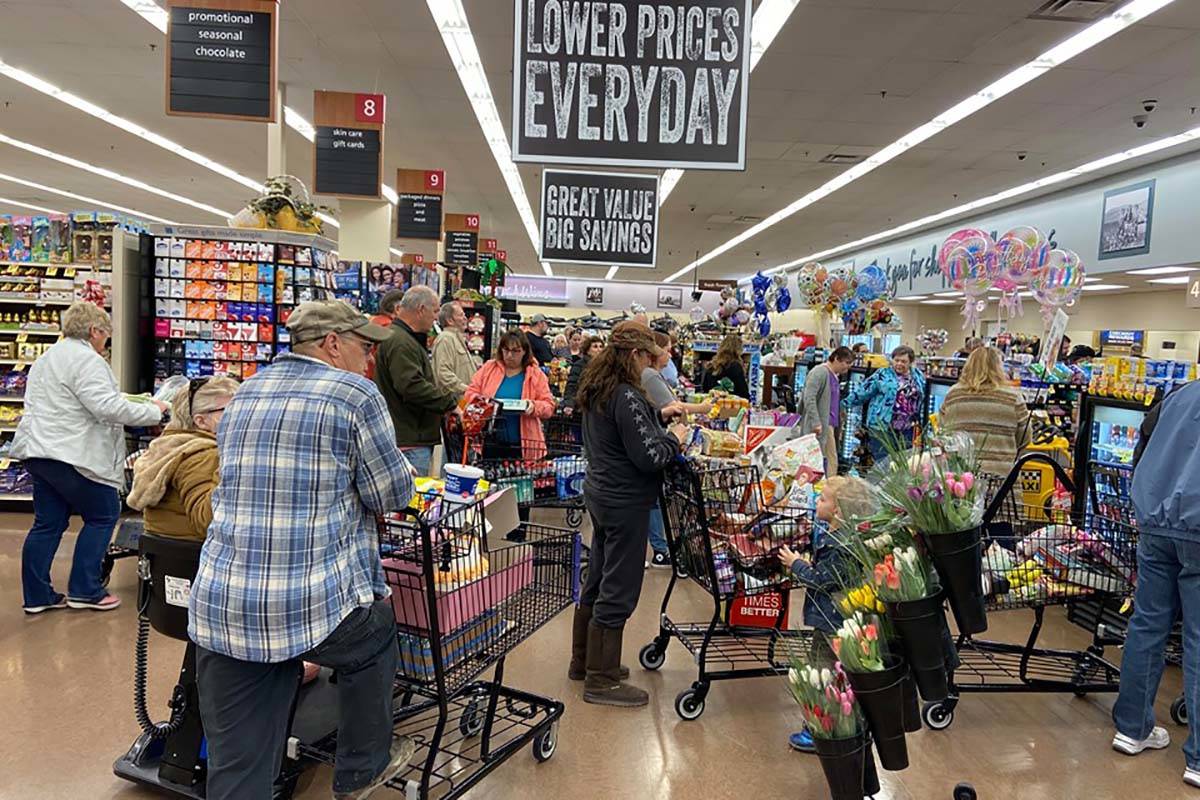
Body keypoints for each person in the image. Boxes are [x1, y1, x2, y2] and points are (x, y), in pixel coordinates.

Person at [189, 300, 416, 800]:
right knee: (376, 631)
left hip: (221, 604)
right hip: (305, 606)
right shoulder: (355, 395)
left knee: (240, 770)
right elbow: (391, 494)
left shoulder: (245, 393)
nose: (369, 359)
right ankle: (361, 769)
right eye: (363, 346)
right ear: (332, 344)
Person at [15, 301, 168, 614]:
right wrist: (155, 410)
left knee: (47, 524)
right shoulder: (88, 360)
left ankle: (37, 596)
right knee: (102, 515)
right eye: (105, 335)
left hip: (39, 451)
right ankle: (86, 591)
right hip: (73, 453)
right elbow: (106, 408)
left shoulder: (49, 357)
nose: (105, 342)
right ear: (95, 330)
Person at [570, 322, 687, 706]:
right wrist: (674, 440)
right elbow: (649, 457)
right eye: (648, 357)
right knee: (619, 587)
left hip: (601, 494)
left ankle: (584, 662)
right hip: (626, 501)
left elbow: (624, 438)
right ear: (634, 355)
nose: (650, 365)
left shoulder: (597, 388)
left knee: (599, 578)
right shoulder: (626, 394)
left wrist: (659, 421)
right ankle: (602, 680)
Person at [1111, 379, 1200, 789]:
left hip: (1156, 523)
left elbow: (1141, 451)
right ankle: (1197, 758)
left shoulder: (1178, 394)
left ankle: (1132, 729)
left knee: (1146, 625)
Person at [778, 476, 876, 752]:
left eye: (822, 499)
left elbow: (821, 581)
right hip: (838, 619)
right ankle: (836, 724)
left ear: (838, 510)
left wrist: (796, 564)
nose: (816, 502)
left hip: (831, 620)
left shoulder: (838, 546)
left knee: (822, 674)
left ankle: (819, 730)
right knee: (832, 672)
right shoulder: (842, 539)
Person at [127, 377, 239, 541]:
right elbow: (206, 523)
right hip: (195, 557)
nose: (242, 416)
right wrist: (230, 463)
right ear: (201, 421)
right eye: (231, 410)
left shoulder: (168, 446)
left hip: (166, 556)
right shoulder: (203, 455)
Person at [464, 330, 557, 529]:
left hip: (523, 444)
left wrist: (533, 406)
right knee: (489, 487)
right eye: (506, 350)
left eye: (515, 351)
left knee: (521, 490)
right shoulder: (489, 368)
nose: (509, 355)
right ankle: (489, 530)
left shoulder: (534, 374)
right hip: (491, 440)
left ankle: (518, 532)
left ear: (525, 352)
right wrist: (484, 404)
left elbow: (549, 406)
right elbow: (470, 393)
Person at [641, 331, 711, 569]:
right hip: (656, 442)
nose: (670, 354)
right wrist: (702, 407)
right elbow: (670, 405)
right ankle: (660, 549)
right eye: (667, 349)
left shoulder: (653, 374)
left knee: (653, 499)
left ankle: (658, 547)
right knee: (653, 499)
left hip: (656, 439)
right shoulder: (650, 375)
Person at [375, 286, 461, 477]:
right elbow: (411, 386)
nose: (436, 317)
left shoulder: (403, 338)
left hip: (410, 435)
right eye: (436, 311)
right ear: (421, 309)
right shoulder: (401, 341)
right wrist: (449, 403)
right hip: (409, 439)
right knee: (410, 502)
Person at [939, 347, 1031, 477]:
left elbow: (944, 430)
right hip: (1001, 479)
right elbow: (1025, 439)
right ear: (999, 368)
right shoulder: (1013, 397)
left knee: (961, 497)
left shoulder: (953, 395)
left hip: (961, 479)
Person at [848, 345, 926, 463]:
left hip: (908, 428)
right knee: (883, 462)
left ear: (910, 362)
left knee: (905, 462)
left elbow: (923, 395)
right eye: (896, 360)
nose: (899, 364)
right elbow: (863, 391)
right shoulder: (883, 374)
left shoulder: (918, 376)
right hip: (882, 427)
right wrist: (844, 404)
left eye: (903, 361)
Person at [801, 347, 855, 477]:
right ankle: (829, 488)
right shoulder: (820, 372)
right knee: (828, 459)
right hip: (821, 424)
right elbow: (809, 398)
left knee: (828, 458)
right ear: (836, 358)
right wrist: (816, 422)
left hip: (829, 424)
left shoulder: (834, 376)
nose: (846, 369)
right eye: (846, 364)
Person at [431, 301, 479, 395]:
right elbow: (443, 374)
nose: (465, 318)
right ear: (450, 320)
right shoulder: (445, 339)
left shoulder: (457, 338)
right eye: (461, 315)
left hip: (463, 401)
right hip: (453, 403)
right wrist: (467, 390)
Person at [701, 333, 750, 400]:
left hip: (711, 403)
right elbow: (743, 392)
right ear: (738, 350)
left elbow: (705, 387)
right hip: (730, 405)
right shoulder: (735, 366)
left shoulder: (712, 364)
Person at [561, 336, 603, 414]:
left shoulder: (606, 366)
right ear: (587, 350)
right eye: (595, 347)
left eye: (601, 347)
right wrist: (569, 404)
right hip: (583, 407)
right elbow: (572, 385)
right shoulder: (579, 365)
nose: (599, 350)